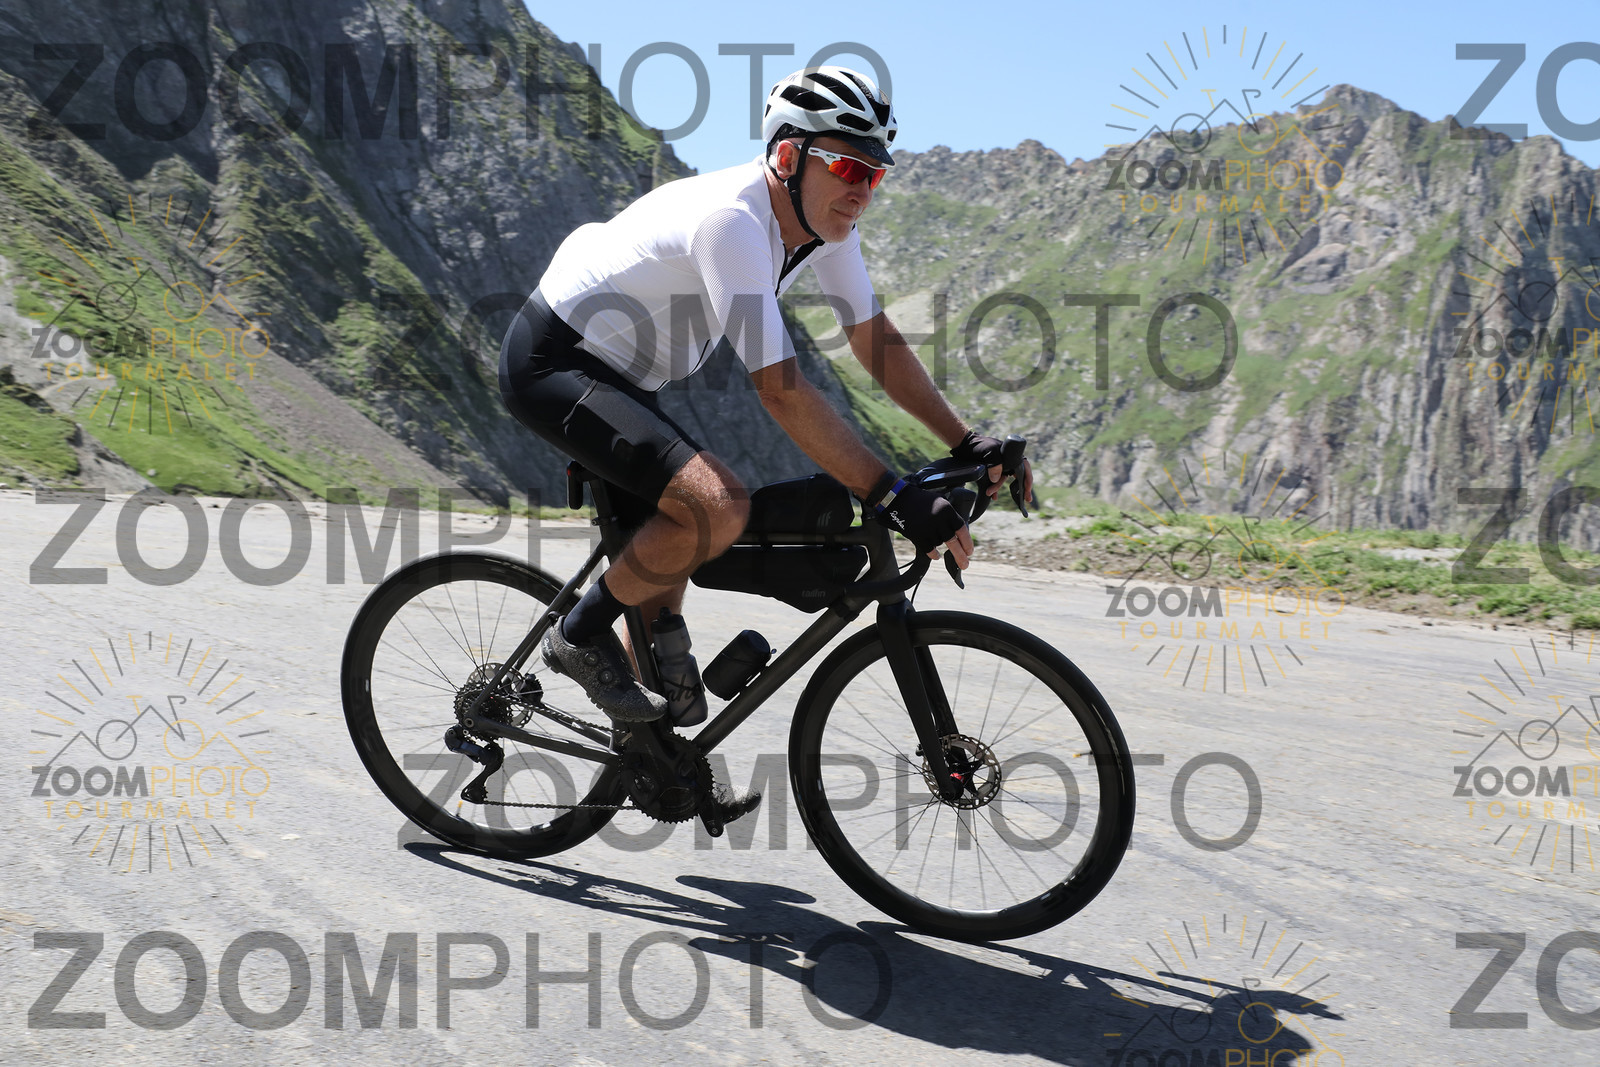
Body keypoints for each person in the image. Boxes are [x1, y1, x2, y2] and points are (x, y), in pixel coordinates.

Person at [499, 66, 1032, 817]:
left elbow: (874, 340)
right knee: (717, 506)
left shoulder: (822, 229)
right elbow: (781, 391)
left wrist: (968, 441)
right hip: (556, 361)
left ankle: (659, 762)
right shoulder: (734, 223)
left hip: (629, 377)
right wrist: (892, 493)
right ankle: (578, 636)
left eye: (875, 174)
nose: (863, 190)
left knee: (669, 594)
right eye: (848, 167)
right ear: (788, 155)